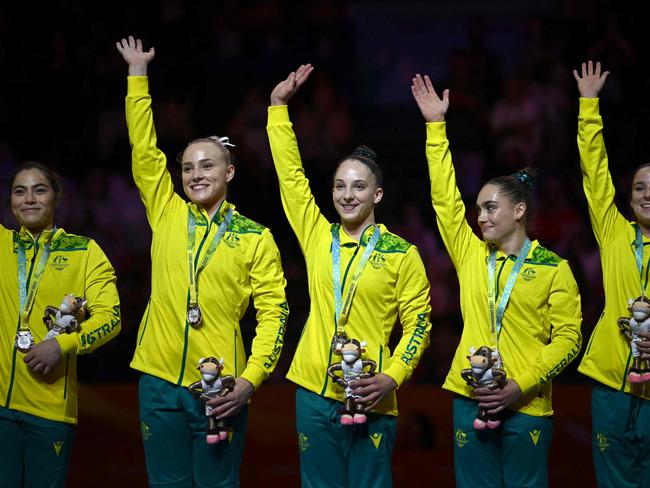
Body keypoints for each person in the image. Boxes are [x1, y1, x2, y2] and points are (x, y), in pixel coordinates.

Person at [116, 36, 289, 488]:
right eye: (189, 167)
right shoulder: (167, 212)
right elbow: (144, 152)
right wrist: (138, 76)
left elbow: (275, 315)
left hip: (221, 387)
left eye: (207, 165)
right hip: (157, 379)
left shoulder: (256, 237)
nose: (196, 175)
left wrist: (249, 381)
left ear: (228, 171)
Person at [411, 73, 582, 487]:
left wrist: (519, 385)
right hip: (470, 399)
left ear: (520, 211)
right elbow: (445, 202)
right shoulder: (471, 255)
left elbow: (569, 339)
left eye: (490, 208)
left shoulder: (552, 268)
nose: (480, 217)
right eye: (479, 209)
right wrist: (436, 129)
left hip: (526, 405)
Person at [267, 64, 432, 488]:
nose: (347, 194)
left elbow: (419, 325)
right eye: (340, 185)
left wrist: (391, 377)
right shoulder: (318, 237)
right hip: (313, 392)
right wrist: (278, 109)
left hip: (373, 392)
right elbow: (291, 179)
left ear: (377, 194)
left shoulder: (402, 254)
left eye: (358, 187)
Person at [0, 162, 121, 488]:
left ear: (57, 198)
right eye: (19, 191)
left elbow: (111, 319)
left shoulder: (85, 252)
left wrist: (62, 344)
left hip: (50, 410)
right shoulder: (2, 245)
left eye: (39, 190)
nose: (29, 199)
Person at [573, 60, 650, 487]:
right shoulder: (614, 232)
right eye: (639, 187)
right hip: (610, 384)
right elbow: (595, 174)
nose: (646, 194)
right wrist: (589, 107)